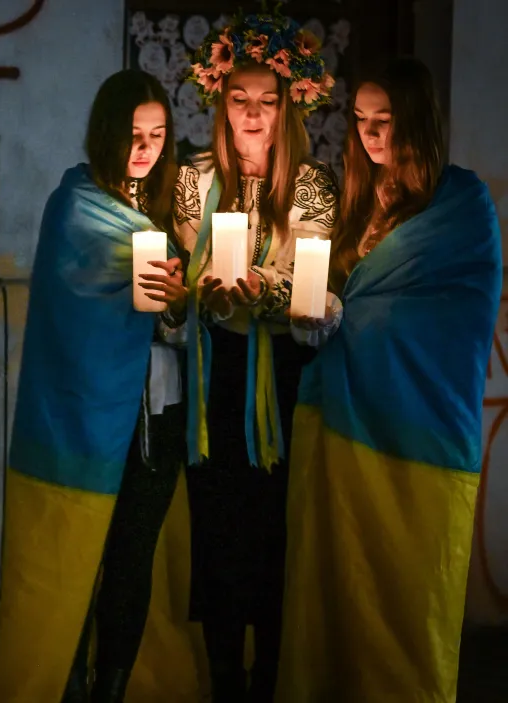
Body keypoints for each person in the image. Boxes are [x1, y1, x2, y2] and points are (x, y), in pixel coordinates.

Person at [277, 56, 502, 702]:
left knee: (406, 611)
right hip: (345, 433)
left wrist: (351, 317)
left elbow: (444, 318)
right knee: (339, 601)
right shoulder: (354, 201)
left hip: (421, 440)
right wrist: (312, 319)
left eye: (387, 122)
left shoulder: (462, 209)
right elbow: (341, 299)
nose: (373, 136)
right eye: (361, 121)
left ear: (419, 123)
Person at [0, 69, 200, 703]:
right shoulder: (76, 205)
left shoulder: (165, 210)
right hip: (82, 421)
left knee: (132, 562)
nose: (147, 148)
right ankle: (63, 685)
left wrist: (178, 307)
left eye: (159, 134)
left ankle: (112, 688)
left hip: (155, 415)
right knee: (74, 562)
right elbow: (70, 311)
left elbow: (177, 321)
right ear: (107, 131)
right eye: (135, 133)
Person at [172, 11, 338, 701]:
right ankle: (222, 681)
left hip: (282, 381)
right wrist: (196, 293)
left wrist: (258, 290)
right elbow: (179, 269)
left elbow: (312, 284)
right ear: (219, 101)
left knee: (271, 537)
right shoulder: (193, 180)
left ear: (288, 104)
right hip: (212, 376)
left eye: (267, 101)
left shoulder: (310, 186)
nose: (253, 113)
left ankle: (268, 678)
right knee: (217, 535)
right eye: (239, 99)